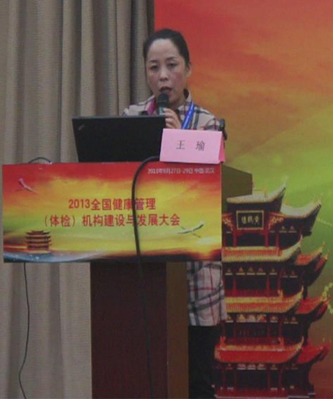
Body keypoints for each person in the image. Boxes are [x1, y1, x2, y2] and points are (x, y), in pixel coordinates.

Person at [124, 28, 226, 399]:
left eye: (171, 65)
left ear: (188, 69)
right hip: (146, 265)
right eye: (154, 67)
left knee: (196, 383)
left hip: (197, 274)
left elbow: (207, 189)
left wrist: (177, 140)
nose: (163, 76)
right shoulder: (131, 118)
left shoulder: (208, 124)